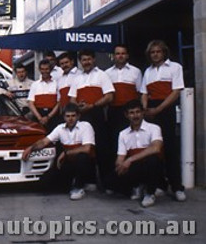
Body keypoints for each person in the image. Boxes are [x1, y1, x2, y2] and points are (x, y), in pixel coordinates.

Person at [140, 40, 186, 201]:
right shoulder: (148, 72)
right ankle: (160, 184)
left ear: (164, 52)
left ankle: (177, 187)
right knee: (154, 148)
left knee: (170, 148)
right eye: (152, 52)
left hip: (166, 109)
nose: (155, 55)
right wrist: (145, 109)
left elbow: (175, 92)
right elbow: (144, 93)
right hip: (151, 111)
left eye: (158, 51)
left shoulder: (175, 68)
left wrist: (158, 109)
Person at [22, 103, 96, 200]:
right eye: (68, 116)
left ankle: (78, 187)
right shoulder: (60, 128)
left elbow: (87, 149)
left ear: (78, 116)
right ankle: (69, 183)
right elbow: (44, 142)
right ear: (64, 117)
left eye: (73, 116)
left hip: (85, 164)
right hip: (68, 164)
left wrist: (66, 153)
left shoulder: (86, 126)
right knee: (44, 184)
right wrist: (30, 148)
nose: (70, 119)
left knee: (82, 156)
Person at [68, 48, 114, 189]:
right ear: (80, 62)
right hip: (83, 116)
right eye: (83, 60)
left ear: (94, 59)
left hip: (97, 114)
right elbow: (72, 98)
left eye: (89, 59)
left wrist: (92, 105)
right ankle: (90, 181)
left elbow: (109, 96)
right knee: (86, 148)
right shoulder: (77, 78)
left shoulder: (102, 75)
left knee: (102, 148)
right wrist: (79, 106)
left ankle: (106, 183)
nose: (86, 62)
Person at [114, 100, 165, 208]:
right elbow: (120, 157)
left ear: (142, 113)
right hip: (136, 167)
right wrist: (119, 166)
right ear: (126, 115)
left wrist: (130, 159)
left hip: (151, 166)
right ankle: (138, 187)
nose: (135, 115)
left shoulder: (154, 128)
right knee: (109, 182)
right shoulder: (123, 134)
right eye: (132, 113)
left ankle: (149, 193)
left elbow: (156, 148)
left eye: (138, 112)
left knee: (153, 160)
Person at [105, 44, 142, 164]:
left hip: (131, 114)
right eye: (117, 53)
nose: (120, 56)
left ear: (127, 56)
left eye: (122, 53)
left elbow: (140, 93)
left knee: (132, 141)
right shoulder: (107, 73)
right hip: (114, 112)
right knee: (114, 141)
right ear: (113, 56)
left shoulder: (136, 71)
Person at [27, 59, 59, 131]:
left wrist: (48, 117)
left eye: (47, 69)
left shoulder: (56, 83)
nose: (44, 71)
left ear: (50, 69)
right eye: (42, 69)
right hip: (38, 115)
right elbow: (30, 103)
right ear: (39, 70)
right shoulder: (34, 84)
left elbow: (58, 103)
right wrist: (39, 118)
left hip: (52, 116)